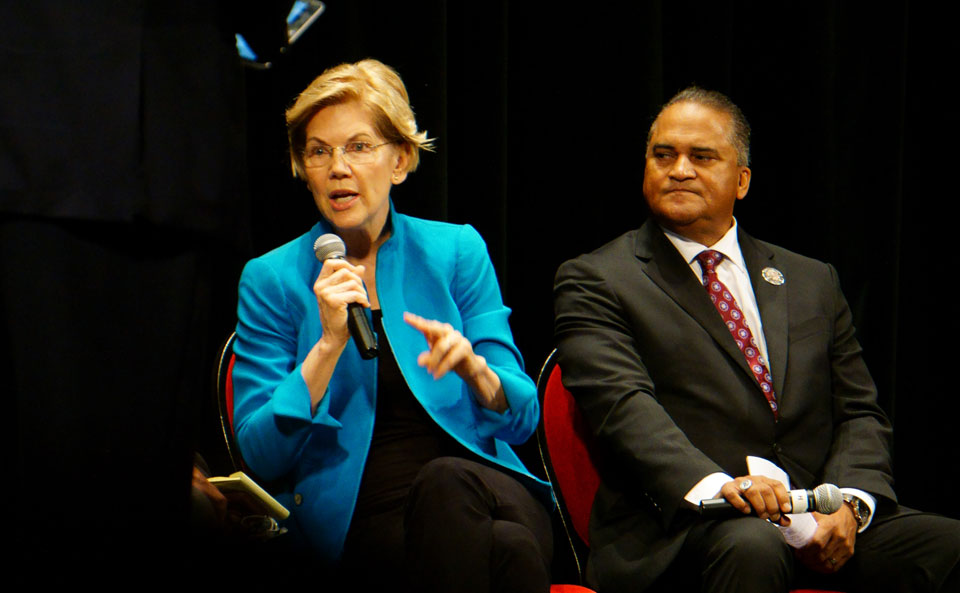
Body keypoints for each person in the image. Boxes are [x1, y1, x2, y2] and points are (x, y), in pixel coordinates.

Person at [553, 86, 959, 592]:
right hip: (684, 526)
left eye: (701, 157)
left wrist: (850, 504)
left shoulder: (812, 279)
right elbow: (623, 409)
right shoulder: (598, 279)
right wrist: (724, 488)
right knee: (753, 546)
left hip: (813, 513)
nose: (679, 169)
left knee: (948, 545)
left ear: (741, 180)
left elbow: (859, 411)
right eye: (664, 155)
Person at [231, 59, 552, 592]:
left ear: (400, 160)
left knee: (448, 483)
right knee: (508, 552)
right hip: (365, 522)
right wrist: (328, 344)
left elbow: (524, 418)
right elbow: (260, 455)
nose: (337, 167)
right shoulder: (270, 280)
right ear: (301, 167)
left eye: (358, 146)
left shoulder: (456, 251)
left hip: (487, 488)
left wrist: (477, 372)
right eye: (318, 151)